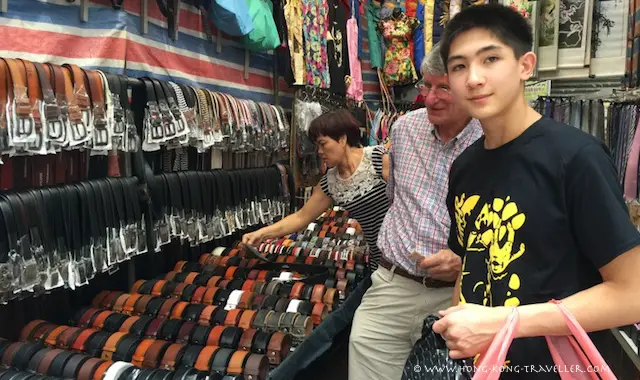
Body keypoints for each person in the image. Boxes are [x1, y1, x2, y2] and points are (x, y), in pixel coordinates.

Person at [434, 4, 640, 379]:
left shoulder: (575, 158)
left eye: (491, 58)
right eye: (459, 66)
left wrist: (506, 322)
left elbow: (633, 294)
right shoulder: (464, 166)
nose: (474, 78)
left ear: (525, 65)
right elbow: (469, 265)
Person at [348, 43, 483, 380]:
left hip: (458, 296)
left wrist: (464, 262)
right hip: (393, 285)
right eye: (427, 85)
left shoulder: (491, 139)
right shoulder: (405, 129)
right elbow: (398, 198)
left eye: (444, 88)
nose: (431, 97)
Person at [242, 109, 390, 268]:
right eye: (317, 145)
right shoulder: (331, 183)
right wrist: (261, 234)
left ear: (342, 139)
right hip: (379, 261)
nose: (319, 152)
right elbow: (301, 217)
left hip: (406, 255)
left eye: (323, 144)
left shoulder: (378, 159)